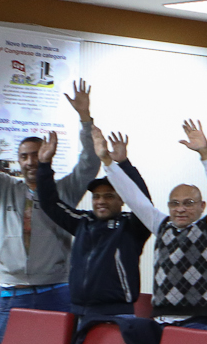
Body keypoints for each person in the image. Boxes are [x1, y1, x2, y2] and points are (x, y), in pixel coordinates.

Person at [0, 77, 100, 344]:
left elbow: (90, 163)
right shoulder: (4, 188)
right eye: (24, 156)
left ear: (48, 154)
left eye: (36, 154)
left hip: (57, 290)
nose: (30, 161)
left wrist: (84, 118)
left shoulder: (65, 190)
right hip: (14, 292)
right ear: (18, 161)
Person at [102, 117, 207, 329]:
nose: (180, 208)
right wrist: (109, 164)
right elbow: (134, 198)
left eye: (189, 203)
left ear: (203, 206)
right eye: (174, 203)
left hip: (197, 323)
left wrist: (205, 155)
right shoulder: (162, 225)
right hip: (159, 322)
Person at [34, 129, 152, 324]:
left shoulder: (131, 226)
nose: (101, 201)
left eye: (108, 196)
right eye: (96, 197)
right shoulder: (83, 222)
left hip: (117, 314)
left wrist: (124, 164)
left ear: (122, 199)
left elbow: (143, 203)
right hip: (80, 313)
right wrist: (44, 165)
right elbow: (50, 203)